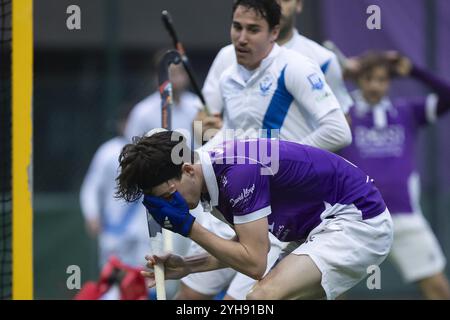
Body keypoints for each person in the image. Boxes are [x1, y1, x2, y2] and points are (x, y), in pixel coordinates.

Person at [180, 0, 352, 300]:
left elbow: (340, 129)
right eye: (237, 27)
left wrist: (282, 162)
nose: (241, 37)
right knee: (188, 299)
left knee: (248, 301)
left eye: (253, 29)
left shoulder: (309, 61)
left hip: (278, 208)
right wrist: (203, 130)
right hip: (227, 202)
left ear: (274, 30)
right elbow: (206, 127)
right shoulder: (225, 60)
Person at [115, 131, 393, 300]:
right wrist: (188, 265)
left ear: (188, 170)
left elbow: (254, 263)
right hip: (314, 230)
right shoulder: (212, 181)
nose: (170, 206)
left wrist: (190, 228)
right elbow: (242, 247)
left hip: (356, 220)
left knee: (260, 298)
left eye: (169, 197)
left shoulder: (236, 176)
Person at [339, 51, 450, 300]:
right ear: (359, 81)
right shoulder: (343, 115)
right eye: (368, 78)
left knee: (439, 289)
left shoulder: (406, 112)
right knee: (331, 291)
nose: (375, 85)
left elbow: (447, 96)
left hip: (403, 216)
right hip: (356, 218)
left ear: (389, 81)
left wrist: (413, 71)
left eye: (381, 79)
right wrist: (340, 75)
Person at [80, 107, 149, 269]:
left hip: (144, 231)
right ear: (121, 124)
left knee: (146, 283)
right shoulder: (107, 151)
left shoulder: (152, 152)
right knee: (112, 284)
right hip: (112, 231)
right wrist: (92, 214)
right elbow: (91, 186)